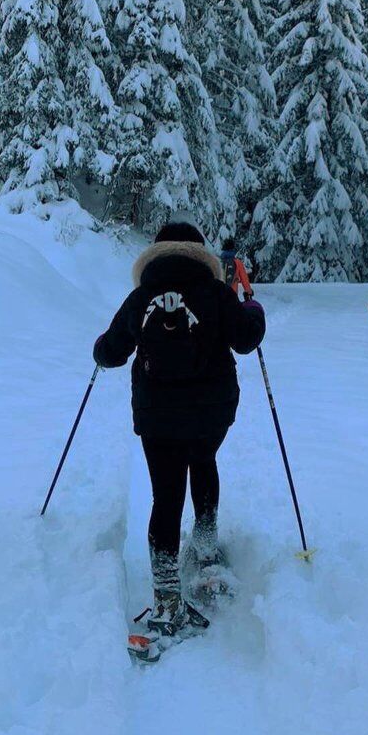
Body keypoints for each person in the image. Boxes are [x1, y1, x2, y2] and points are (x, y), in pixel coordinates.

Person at [93, 221, 266, 634]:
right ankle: (206, 551)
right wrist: (253, 307)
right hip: (212, 412)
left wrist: (99, 349)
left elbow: (110, 352)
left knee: (165, 495)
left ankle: (167, 600)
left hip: (158, 416)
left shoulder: (141, 297)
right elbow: (246, 339)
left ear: (156, 254)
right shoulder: (219, 294)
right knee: (204, 462)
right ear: (199, 253)